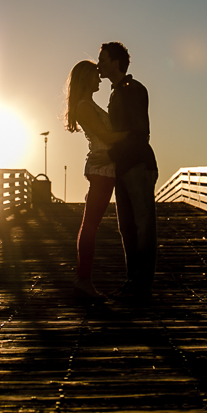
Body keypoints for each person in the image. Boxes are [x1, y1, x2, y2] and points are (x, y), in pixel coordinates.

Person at [97, 41, 159, 299]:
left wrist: (110, 154)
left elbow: (138, 133)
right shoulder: (116, 92)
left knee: (143, 226)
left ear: (115, 63)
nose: (98, 64)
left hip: (138, 165)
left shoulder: (133, 90)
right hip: (123, 167)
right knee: (127, 227)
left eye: (102, 59)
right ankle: (133, 281)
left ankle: (142, 284)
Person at [64, 59, 127, 298]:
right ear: (85, 79)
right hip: (101, 169)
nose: (99, 78)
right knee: (90, 225)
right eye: (94, 75)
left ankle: (83, 279)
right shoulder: (84, 106)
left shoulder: (88, 104)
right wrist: (135, 134)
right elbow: (106, 137)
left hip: (105, 166)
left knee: (90, 224)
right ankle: (83, 279)